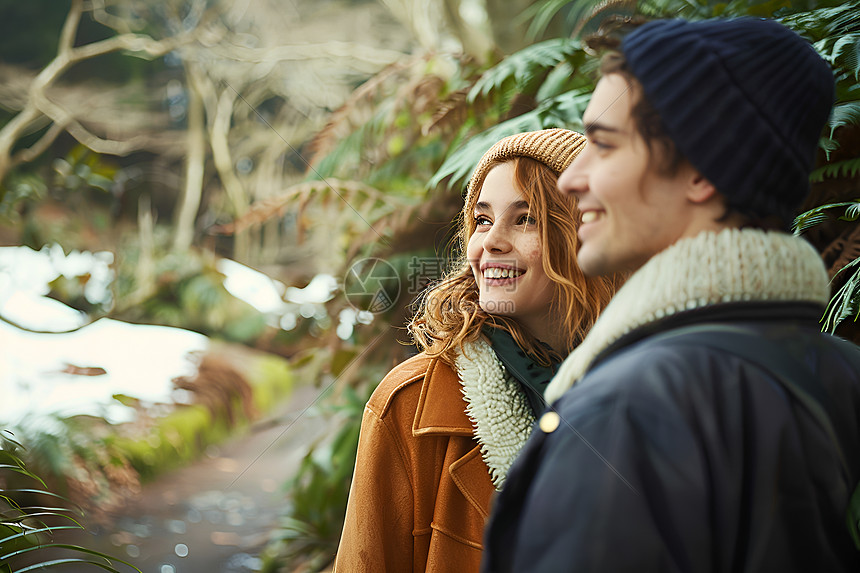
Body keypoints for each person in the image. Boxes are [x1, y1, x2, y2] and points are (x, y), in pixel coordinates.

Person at [482, 17, 860, 573]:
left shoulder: (630, 409)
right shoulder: (842, 372)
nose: (571, 178)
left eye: (604, 146)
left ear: (701, 171)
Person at [332, 128, 620, 572]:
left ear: (590, 235)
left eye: (525, 219)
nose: (490, 242)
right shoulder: (409, 405)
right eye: (483, 220)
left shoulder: (654, 390)